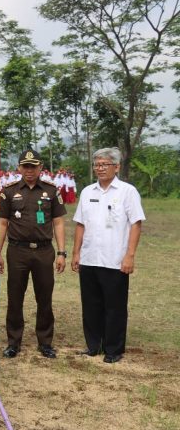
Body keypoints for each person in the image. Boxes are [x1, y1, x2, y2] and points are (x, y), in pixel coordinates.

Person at [71, 148, 145, 364]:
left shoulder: (127, 191)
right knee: (91, 305)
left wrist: (129, 255)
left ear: (117, 167)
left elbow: (136, 224)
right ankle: (93, 345)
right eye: (97, 165)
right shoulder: (87, 192)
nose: (100, 168)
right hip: (89, 257)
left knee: (114, 307)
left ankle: (113, 349)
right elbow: (80, 224)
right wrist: (76, 252)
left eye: (105, 164)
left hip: (115, 260)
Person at [0, 149, 67, 359]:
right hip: (17, 251)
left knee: (44, 297)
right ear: (19, 168)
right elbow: (3, 223)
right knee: (15, 297)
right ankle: (13, 342)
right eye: (25, 166)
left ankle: (45, 342)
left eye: (33, 166)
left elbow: (58, 222)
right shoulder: (8, 191)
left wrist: (62, 252)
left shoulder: (51, 190)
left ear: (40, 168)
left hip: (44, 251)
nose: (29, 170)